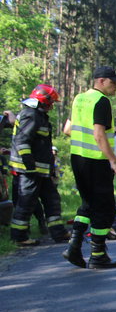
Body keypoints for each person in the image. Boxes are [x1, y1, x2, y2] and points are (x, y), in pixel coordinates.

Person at [63, 66, 116, 269]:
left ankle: (74, 247)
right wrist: (114, 161)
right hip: (96, 161)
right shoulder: (102, 101)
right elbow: (99, 135)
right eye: (113, 81)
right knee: (105, 208)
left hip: (78, 159)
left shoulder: (79, 99)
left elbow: (67, 130)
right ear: (101, 81)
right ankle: (98, 255)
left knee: (87, 204)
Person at [8, 84, 68, 246]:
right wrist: (29, 165)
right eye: (51, 102)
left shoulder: (37, 115)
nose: (52, 106)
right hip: (30, 170)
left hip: (41, 170)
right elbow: (22, 141)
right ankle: (19, 237)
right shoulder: (31, 115)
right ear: (44, 100)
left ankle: (59, 233)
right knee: (26, 202)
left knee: (52, 200)